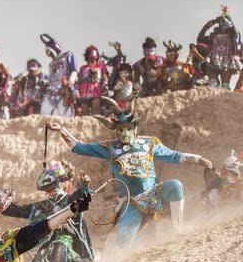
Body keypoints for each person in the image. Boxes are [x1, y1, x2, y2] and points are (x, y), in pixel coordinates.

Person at [47, 96, 212, 246]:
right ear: (116, 130)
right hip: (131, 202)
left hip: (155, 193)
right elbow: (78, 147)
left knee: (175, 186)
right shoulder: (109, 148)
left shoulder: (149, 143)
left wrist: (198, 159)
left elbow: (173, 156)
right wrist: (61, 130)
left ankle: (178, 230)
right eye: (120, 129)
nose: (124, 133)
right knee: (122, 245)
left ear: (135, 128)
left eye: (127, 128)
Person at [3, 161, 95, 262]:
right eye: (49, 188)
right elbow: (19, 210)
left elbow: (84, 196)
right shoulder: (41, 206)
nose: (53, 191)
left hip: (67, 238)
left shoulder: (69, 199)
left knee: (59, 249)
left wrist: (85, 187)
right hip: (46, 242)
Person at [196, 6, 243, 89]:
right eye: (221, 22)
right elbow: (200, 38)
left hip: (227, 63)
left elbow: (238, 43)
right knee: (213, 85)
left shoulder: (233, 36)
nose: (222, 23)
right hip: (212, 61)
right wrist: (211, 23)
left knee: (225, 87)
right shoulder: (214, 36)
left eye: (224, 21)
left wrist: (228, 18)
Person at [39, 34, 77, 117]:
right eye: (48, 54)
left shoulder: (67, 56)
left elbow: (73, 70)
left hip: (65, 87)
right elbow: (51, 78)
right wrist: (45, 82)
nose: (50, 56)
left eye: (50, 53)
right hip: (52, 90)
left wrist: (70, 82)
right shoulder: (51, 64)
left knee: (64, 111)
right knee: (45, 109)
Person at [76, 45, 109, 116]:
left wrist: (105, 85)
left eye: (94, 57)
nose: (92, 59)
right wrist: (77, 89)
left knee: (95, 105)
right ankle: (87, 123)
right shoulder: (83, 68)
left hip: (96, 91)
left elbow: (105, 77)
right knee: (84, 108)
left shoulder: (101, 66)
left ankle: (97, 121)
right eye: (90, 57)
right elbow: (79, 80)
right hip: (84, 92)